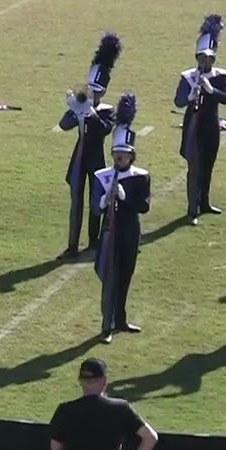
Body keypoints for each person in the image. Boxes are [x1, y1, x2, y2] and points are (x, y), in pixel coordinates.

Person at [57, 33, 122, 260]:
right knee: (76, 201)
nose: (92, 93)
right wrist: (75, 109)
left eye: (96, 90)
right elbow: (63, 125)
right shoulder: (80, 105)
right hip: (79, 156)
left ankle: (94, 241)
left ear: (103, 91)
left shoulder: (108, 110)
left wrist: (90, 113)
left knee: (96, 201)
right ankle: (72, 245)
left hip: (96, 158)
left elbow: (104, 129)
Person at [93, 106, 150, 344]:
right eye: (116, 153)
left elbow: (144, 206)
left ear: (131, 156)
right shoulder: (102, 175)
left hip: (129, 232)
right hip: (109, 233)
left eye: (123, 154)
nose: (119, 157)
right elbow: (96, 208)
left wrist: (125, 196)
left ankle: (121, 319)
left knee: (126, 275)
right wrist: (107, 199)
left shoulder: (141, 176)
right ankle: (107, 326)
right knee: (110, 279)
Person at [174, 14, 226, 226]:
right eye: (201, 57)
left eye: (209, 57)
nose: (205, 61)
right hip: (193, 128)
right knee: (194, 169)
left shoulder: (220, 75)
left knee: (208, 166)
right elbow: (178, 101)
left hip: (211, 127)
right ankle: (192, 209)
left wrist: (211, 89)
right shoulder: (188, 76)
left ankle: (205, 202)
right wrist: (191, 95)